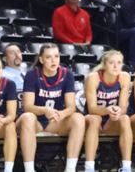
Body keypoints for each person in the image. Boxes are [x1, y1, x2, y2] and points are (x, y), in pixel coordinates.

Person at [18, 43, 86, 172]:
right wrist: (44, 110)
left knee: (78, 118)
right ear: (42, 60)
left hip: (55, 121)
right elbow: (28, 106)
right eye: (48, 57)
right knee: (28, 117)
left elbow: (71, 106)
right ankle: (29, 169)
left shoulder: (67, 74)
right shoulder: (32, 74)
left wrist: (63, 114)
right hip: (36, 122)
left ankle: (70, 168)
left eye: (56, 56)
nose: (53, 60)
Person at [83, 50, 133, 172]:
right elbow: (91, 109)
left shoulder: (125, 77)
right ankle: (89, 167)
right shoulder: (93, 78)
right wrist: (107, 110)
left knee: (125, 118)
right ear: (104, 65)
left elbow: (124, 108)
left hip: (110, 120)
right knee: (95, 119)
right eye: (111, 63)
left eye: (119, 63)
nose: (116, 66)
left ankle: (126, 167)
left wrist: (117, 111)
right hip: (92, 119)